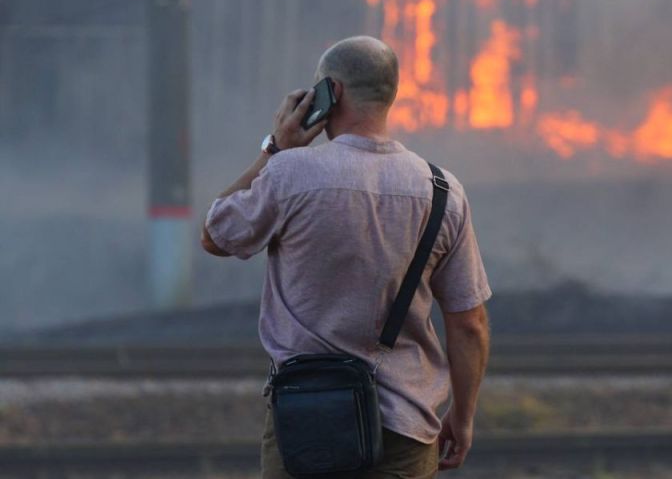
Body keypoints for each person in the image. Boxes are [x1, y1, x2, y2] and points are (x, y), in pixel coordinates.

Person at [200, 36, 491, 479]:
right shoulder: (442, 191)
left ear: (329, 94)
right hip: (406, 428)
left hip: (305, 423)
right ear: (390, 95)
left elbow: (215, 234)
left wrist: (273, 149)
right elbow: (469, 323)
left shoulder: (290, 173)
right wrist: (463, 417)